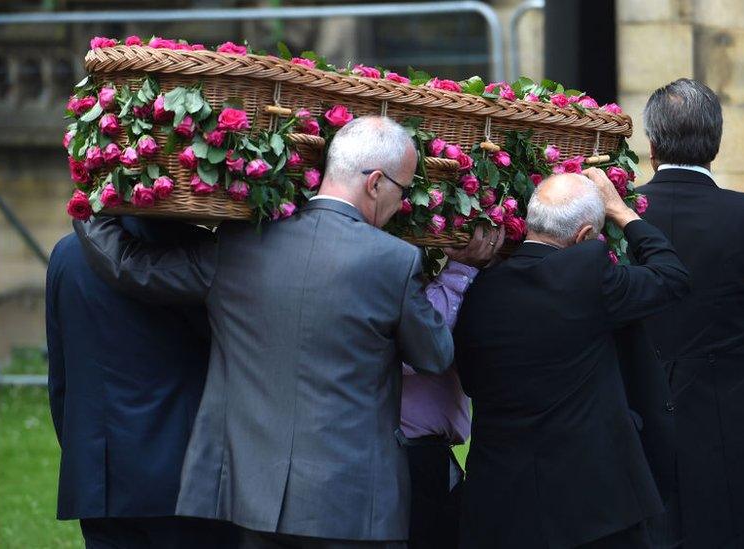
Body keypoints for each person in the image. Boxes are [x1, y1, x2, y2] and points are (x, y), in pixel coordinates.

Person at [74, 116, 498, 548]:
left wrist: (89, 196)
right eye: (402, 190)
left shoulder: (240, 244)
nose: (402, 203)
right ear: (375, 183)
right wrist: (461, 272)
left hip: (254, 499)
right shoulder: (392, 261)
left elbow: (130, 267)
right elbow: (434, 355)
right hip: (353, 506)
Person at [452, 170, 691, 549]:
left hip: (500, 505)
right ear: (583, 238)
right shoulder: (588, 275)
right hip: (592, 509)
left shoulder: (480, 288)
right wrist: (621, 211)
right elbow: (672, 277)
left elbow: (470, 381)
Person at [636, 78, 744, 547]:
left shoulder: (626, 215)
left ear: (651, 145)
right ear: (715, 141)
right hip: (743, 427)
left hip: (644, 426)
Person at [46, 217, 235, 548]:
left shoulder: (66, 254)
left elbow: (62, 379)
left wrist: (85, 453)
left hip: (100, 479)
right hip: (185, 479)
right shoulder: (201, 255)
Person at [400, 226, 504, 549]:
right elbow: (420, 349)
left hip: (434, 457)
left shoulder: (428, 286)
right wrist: (461, 268)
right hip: (405, 457)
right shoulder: (385, 286)